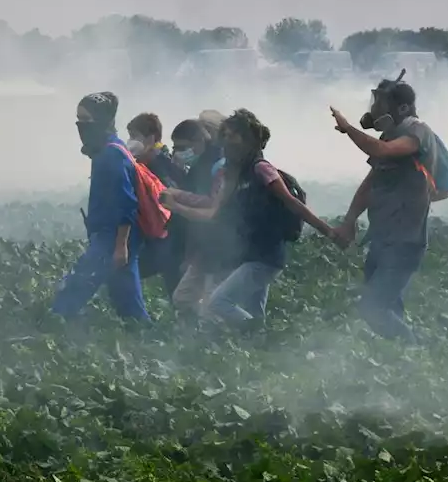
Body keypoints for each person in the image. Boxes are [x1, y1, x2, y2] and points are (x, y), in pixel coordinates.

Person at [169, 109, 337, 327]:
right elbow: (213, 210)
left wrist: (329, 232)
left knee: (218, 302)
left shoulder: (261, 169)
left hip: (266, 256)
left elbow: (292, 202)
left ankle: (261, 337)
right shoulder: (232, 173)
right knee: (253, 312)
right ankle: (261, 344)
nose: (228, 142)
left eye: (233, 136)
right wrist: (178, 202)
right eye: (226, 136)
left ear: (248, 140)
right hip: (247, 255)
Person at [330, 77, 439, 344]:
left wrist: (348, 129)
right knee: (388, 307)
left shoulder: (417, 132)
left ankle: (414, 349)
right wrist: (350, 219)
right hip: (382, 237)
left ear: (402, 108)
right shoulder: (392, 134)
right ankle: (403, 359)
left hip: (406, 239)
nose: (376, 107)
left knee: (373, 308)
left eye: (382, 101)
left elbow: (382, 150)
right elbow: (371, 183)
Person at [51, 92, 148, 321]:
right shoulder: (111, 148)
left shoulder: (111, 155)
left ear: (101, 120)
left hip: (111, 238)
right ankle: (146, 336)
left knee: (74, 289)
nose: (81, 126)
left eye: (86, 120)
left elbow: (126, 203)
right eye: (78, 119)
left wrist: (120, 246)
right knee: (129, 304)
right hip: (114, 238)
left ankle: (53, 325)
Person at [163, 119, 226, 311]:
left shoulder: (217, 165)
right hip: (204, 245)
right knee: (185, 298)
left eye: (183, 147)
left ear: (199, 141)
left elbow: (211, 203)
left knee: (212, 301)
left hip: (219, 243)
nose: (178, 152)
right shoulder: (202, 164)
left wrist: (178, 198)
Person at [125, 112, 185, 297]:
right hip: (161, 238)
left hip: (169, 238)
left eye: (135, 136)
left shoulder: (159, 165)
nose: (130, 141)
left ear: (150, 139)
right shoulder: (149, 162)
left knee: (177, 291)